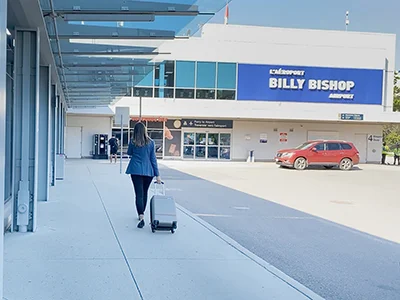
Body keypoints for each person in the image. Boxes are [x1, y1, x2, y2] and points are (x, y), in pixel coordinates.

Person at [126, 122, 161, 228]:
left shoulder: (133, 142)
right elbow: (153, 159)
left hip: (135, 170)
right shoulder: (151, 142)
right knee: (145, 193)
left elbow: (129, 153)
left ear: (135, 131)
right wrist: (157, 174)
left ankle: (141, 216)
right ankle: (143, 213)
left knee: (138, 194)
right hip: (148, 171)